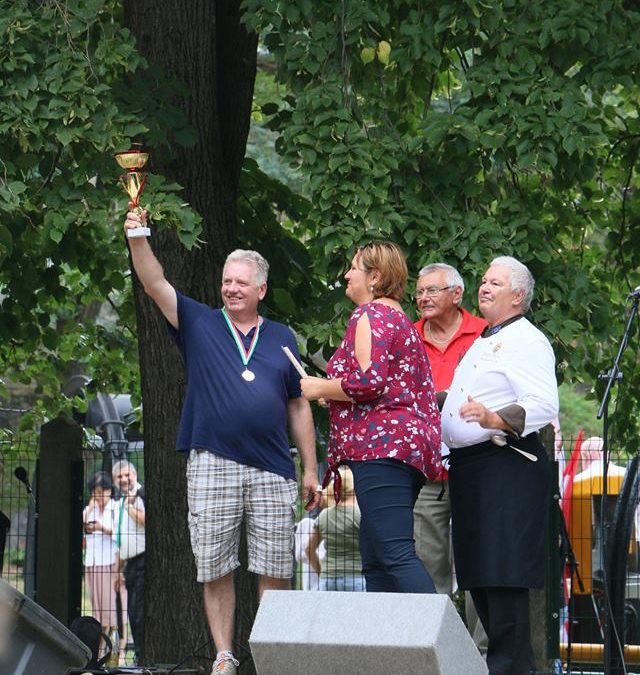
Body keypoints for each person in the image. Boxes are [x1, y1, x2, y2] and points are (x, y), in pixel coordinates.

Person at [124, 210, 320, 675]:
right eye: (227, 280)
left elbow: (299, 404)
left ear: (261, 290)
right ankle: (225, 656)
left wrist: (310, 467)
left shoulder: (281, 337)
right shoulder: (198, 322)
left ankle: (271, 656)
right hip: (212, 461)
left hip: (274, 467)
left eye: (241, 282)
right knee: (214, 564)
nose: (231, 288)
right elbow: (155, 283)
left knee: (275, 567)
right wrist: (137, 235)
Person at [301, 240, 441, 593]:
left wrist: (320, 388)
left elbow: (368, 381)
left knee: (394, 553)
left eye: (353, 267)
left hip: (383, 450)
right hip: (405, 449)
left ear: (375, 277)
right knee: (376, 558)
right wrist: (335, 394)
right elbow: (384, 386)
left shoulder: (370, 314)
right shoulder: (401, 320)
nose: (346, 275)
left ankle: (442, 644)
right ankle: (390, 646)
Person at [441, 256, 559, 675]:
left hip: (504, 467)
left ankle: (512, 670)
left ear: (518, 295)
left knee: (503, 578)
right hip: (472, 469)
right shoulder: (485, 338)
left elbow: (544, 404)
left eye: (495, 282)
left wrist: (496, 419)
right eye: (483, 280)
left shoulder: (527, 339)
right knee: (482, 579)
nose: (484, 287)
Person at [412, 263, 487, 595]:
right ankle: (435, 647)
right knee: (426, 567)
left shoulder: (487, 334)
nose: (424, 298)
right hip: (425, 471)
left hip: (477, 465)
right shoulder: (407, 336)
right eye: (419, 292)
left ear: (457, 294)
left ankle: (483, 649)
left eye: (432, 290)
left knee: (479, 564)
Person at [306, 466, 366, 592]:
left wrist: (322, 572)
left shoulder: (324, 515)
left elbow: (308, 549)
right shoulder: (361, 515)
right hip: (356, 577)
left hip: (328, 578)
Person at [112, 460, 145, 664]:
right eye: (120, 477)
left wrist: (131, 507)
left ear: (134, 474)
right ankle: (140, 655)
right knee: (133, 612)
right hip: (130, 563)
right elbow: (123, 539)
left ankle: (142, 657)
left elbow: (146, 520)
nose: (124, 479)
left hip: (144, 560)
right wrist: (118, 571)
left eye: (127, 475)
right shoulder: (122, 501)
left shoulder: (140, 495)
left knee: (139, 611)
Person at [83, 472, 118, 640]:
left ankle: (114, 645)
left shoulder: (115, 508)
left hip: (109, 561)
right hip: (92, 561)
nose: (99, 496)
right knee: (96, 606)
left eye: (101, 492)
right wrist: (90, 507)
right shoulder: (91, 509)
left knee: (109, 606)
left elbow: (119, 532)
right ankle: (100, 645)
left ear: (109, 491)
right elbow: (80, 523)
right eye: (95, 493)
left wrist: (102, 528)